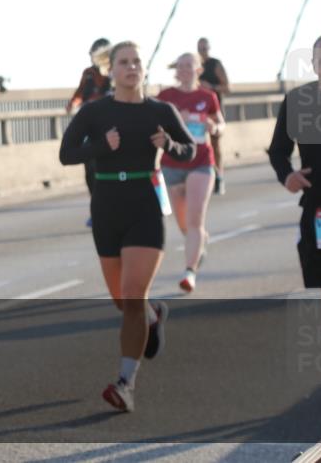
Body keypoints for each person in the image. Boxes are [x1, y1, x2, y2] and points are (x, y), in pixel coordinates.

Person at [60, 41, 195, 412]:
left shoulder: (161, 110)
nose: (131, 67)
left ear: (144, 69)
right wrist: (102, 145)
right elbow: (66, 154)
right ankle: (152, 315)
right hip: (106, 206)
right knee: (124, 301)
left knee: (133, 294)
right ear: (112, 70)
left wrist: (169, 143)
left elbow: (191, 149)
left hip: (145, 204)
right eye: (124, 62)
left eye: (137, 62)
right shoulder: (94, 111)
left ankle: (125, 384)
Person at [268, 32, 321, 406]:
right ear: (314, 65)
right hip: (320, 214)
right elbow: (277, 152)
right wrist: (286, 175)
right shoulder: (299, 102)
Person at [157, 53, 225, 292]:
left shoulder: (207, 97)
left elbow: (220, 124)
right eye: (181, 66)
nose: (185, 69)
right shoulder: (166, 97)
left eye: (190, 65)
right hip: (172, 163)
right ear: (176, 70)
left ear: (198, 70)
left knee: (195, 220)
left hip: (201, 161)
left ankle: (190, 272)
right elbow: (153, 125)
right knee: (184, 224)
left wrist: (214, 126)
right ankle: (199, 243)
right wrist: (175, 121)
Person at [66, 38, 113, 227]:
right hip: (89, 126)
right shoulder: (88, 74)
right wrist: (73, 103)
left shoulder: (113, 74)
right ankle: (96, 209)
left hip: (108, 126)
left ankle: (110, 208)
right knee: (89, 169)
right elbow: (79, 93)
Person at [197, 38, 230, 194]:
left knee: (215, 145)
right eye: (200, 48)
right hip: (197, 110)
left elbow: (227, 87)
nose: (202, 51)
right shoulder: (195, 65)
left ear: (209, 48)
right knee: (199, 144)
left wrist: (211, 87)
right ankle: (204, 177)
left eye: (205, 48)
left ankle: (220, 177)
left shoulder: (215, 64)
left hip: (214, 110)